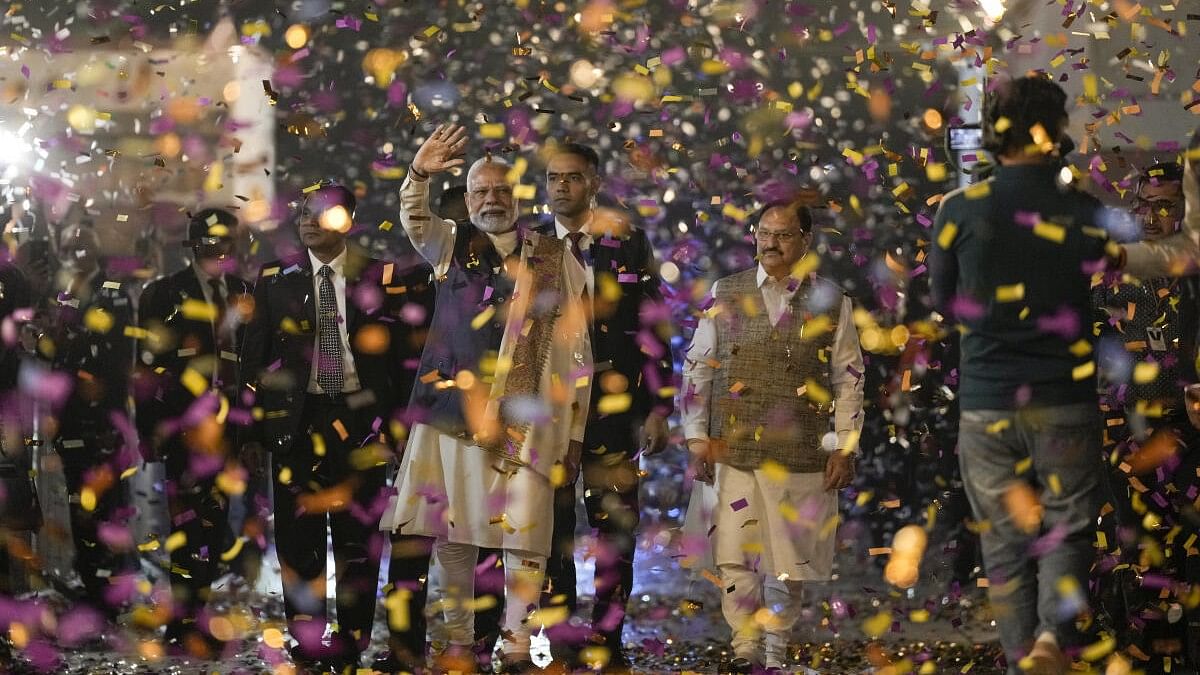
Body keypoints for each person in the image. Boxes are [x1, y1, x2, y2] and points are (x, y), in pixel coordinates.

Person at [381, 123, 591, 673]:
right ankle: (458, 645)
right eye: (481, 192)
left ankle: (517, 645)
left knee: (525, 536)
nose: (492, 200)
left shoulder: (553, 256)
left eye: (502, 191)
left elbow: (577, 348)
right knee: (455, 536)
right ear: (468, 198)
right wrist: (419, 172)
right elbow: (415, 218)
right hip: (454, 417)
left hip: (530, 421)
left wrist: (574, 432)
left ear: (519, 197)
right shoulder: (450, 245)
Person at [929, 75, 1121, 674]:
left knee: (1004, 545)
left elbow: (941, 301)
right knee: (1067, 529)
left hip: (987, 404)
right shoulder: (1081, 209)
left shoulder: (957, 208)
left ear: (993, 134)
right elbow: (1107, 265)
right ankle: (1047, 642)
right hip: (1063, 398)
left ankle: (1021, 664)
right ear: (1055, 131)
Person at [238, 184, 422, 673]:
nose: (308, 221)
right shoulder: (276, 278)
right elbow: (253, 357)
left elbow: (402, 359)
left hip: (361, 420)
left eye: (321, 213)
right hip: (296, 422)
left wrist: (399, 429)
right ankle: (307, 639)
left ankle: (352, 639)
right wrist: (252, 432)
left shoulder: (379, 275)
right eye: (301, 213)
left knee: (357, 538)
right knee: (298, 540)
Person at [681, 200, 864, 672]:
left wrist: (845, 445)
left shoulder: (831, 300)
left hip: (801, 449)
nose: (771, 243)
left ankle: (776, 651)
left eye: (783, 235)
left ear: (806, 241)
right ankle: (745, 648)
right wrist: (696, 438)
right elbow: (698, 368)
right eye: (764, 233)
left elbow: (848, 379)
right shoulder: (726, 291)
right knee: (734, 556)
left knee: (788, 558)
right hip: (733, 445)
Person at [537, 142, 674, 671]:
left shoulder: (627, 241)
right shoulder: (531, 245)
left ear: (593, 182)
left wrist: (659, 404)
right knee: (550, 528)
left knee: (614, 528)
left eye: (572, 177)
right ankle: (561, 638)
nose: (561, 187)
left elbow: (654, 324)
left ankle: (609, 641)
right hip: (548, 411)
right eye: (553, 178)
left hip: (614, 407)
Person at [1093, 160, 1200, 672]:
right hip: (1123, 426)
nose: (1153, 216)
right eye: (1145, 206)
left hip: (1184, 427)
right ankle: (1134, 646)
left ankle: (1174, 648)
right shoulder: (1116, 270)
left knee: (1180, 540)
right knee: (1130, 539)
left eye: (1165, 206)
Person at [135, 208, 252, 658]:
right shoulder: (163, 294)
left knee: (220, 525)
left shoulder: (245, 292)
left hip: (234, 431)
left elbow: (257, 364)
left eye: (226, 241)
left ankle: (199, 615)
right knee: (186, 528)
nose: (219, 249)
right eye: (210, 241)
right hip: (184, 431)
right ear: (195, 245)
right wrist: (151, 430)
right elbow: (146, 370)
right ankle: (185, 623)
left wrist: (254, 433)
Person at [41, 223, 137, 629]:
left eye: (84, 246)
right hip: (70, 423)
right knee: (81, 509)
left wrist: (111, 419)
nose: (77, 253)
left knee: (106, 507)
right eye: (71, 247)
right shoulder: (66, 294)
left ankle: (109, 594)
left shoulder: (111, 292)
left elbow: (117, 364)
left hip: (100, 422)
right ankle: (94, 588)